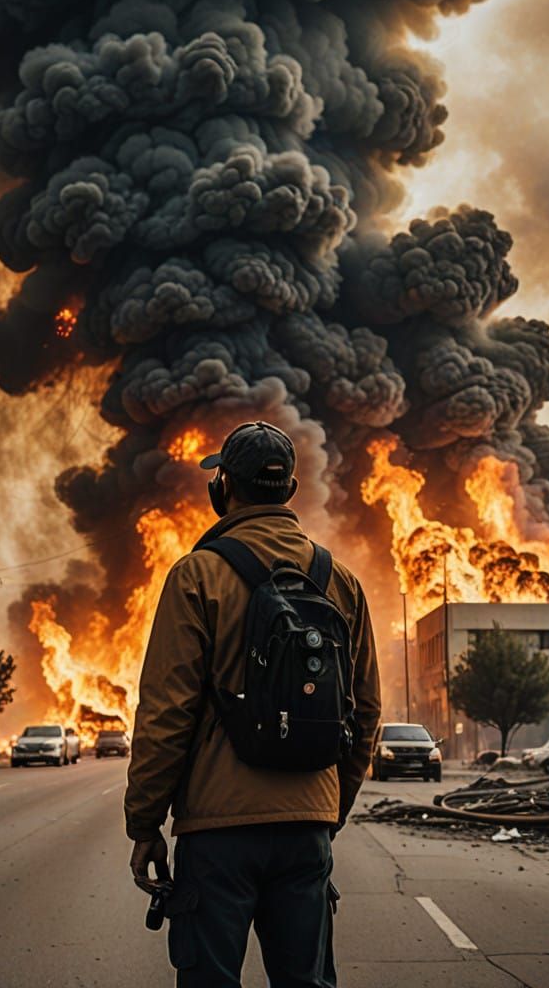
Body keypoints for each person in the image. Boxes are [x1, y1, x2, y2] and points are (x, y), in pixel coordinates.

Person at [124, 420, 381, 987]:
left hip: (217, 833)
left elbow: (166, 714)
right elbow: (365, 714)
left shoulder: (197, 576)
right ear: (289, 490)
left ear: (223, 490)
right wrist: (332, 807)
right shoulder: (340, 581)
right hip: (307, 826)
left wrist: (145, 822)